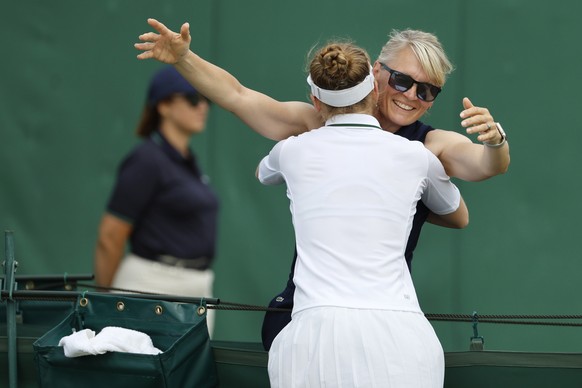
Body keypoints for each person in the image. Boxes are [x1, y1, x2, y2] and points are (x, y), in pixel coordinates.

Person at [134, 19, 510, 347]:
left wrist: (496, 141)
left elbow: (483, 165)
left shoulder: (427, 147)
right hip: (307, 310)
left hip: (379, 314)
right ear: (376, 72)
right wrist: (184, 58)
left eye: (426, 91)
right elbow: (239, 97)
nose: (411, 95)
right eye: (402, 80)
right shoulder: (319, 123)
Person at [257, 41, 468, 387]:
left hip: (312, 342)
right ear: (374, 86)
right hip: (403, 343)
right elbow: (457, 212)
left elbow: (263, 171)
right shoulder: (418, 157)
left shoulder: (291, 151)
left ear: (315, 100)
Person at [93, 65, 219, 334]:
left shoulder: (189, 164)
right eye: (193, 98)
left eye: (206, 99)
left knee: (194, 376)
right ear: (163, 105)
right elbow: (110, 236)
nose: (203, 107)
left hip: (197, 290)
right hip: (152, 286)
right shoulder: (147, 160)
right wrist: (105, 302)